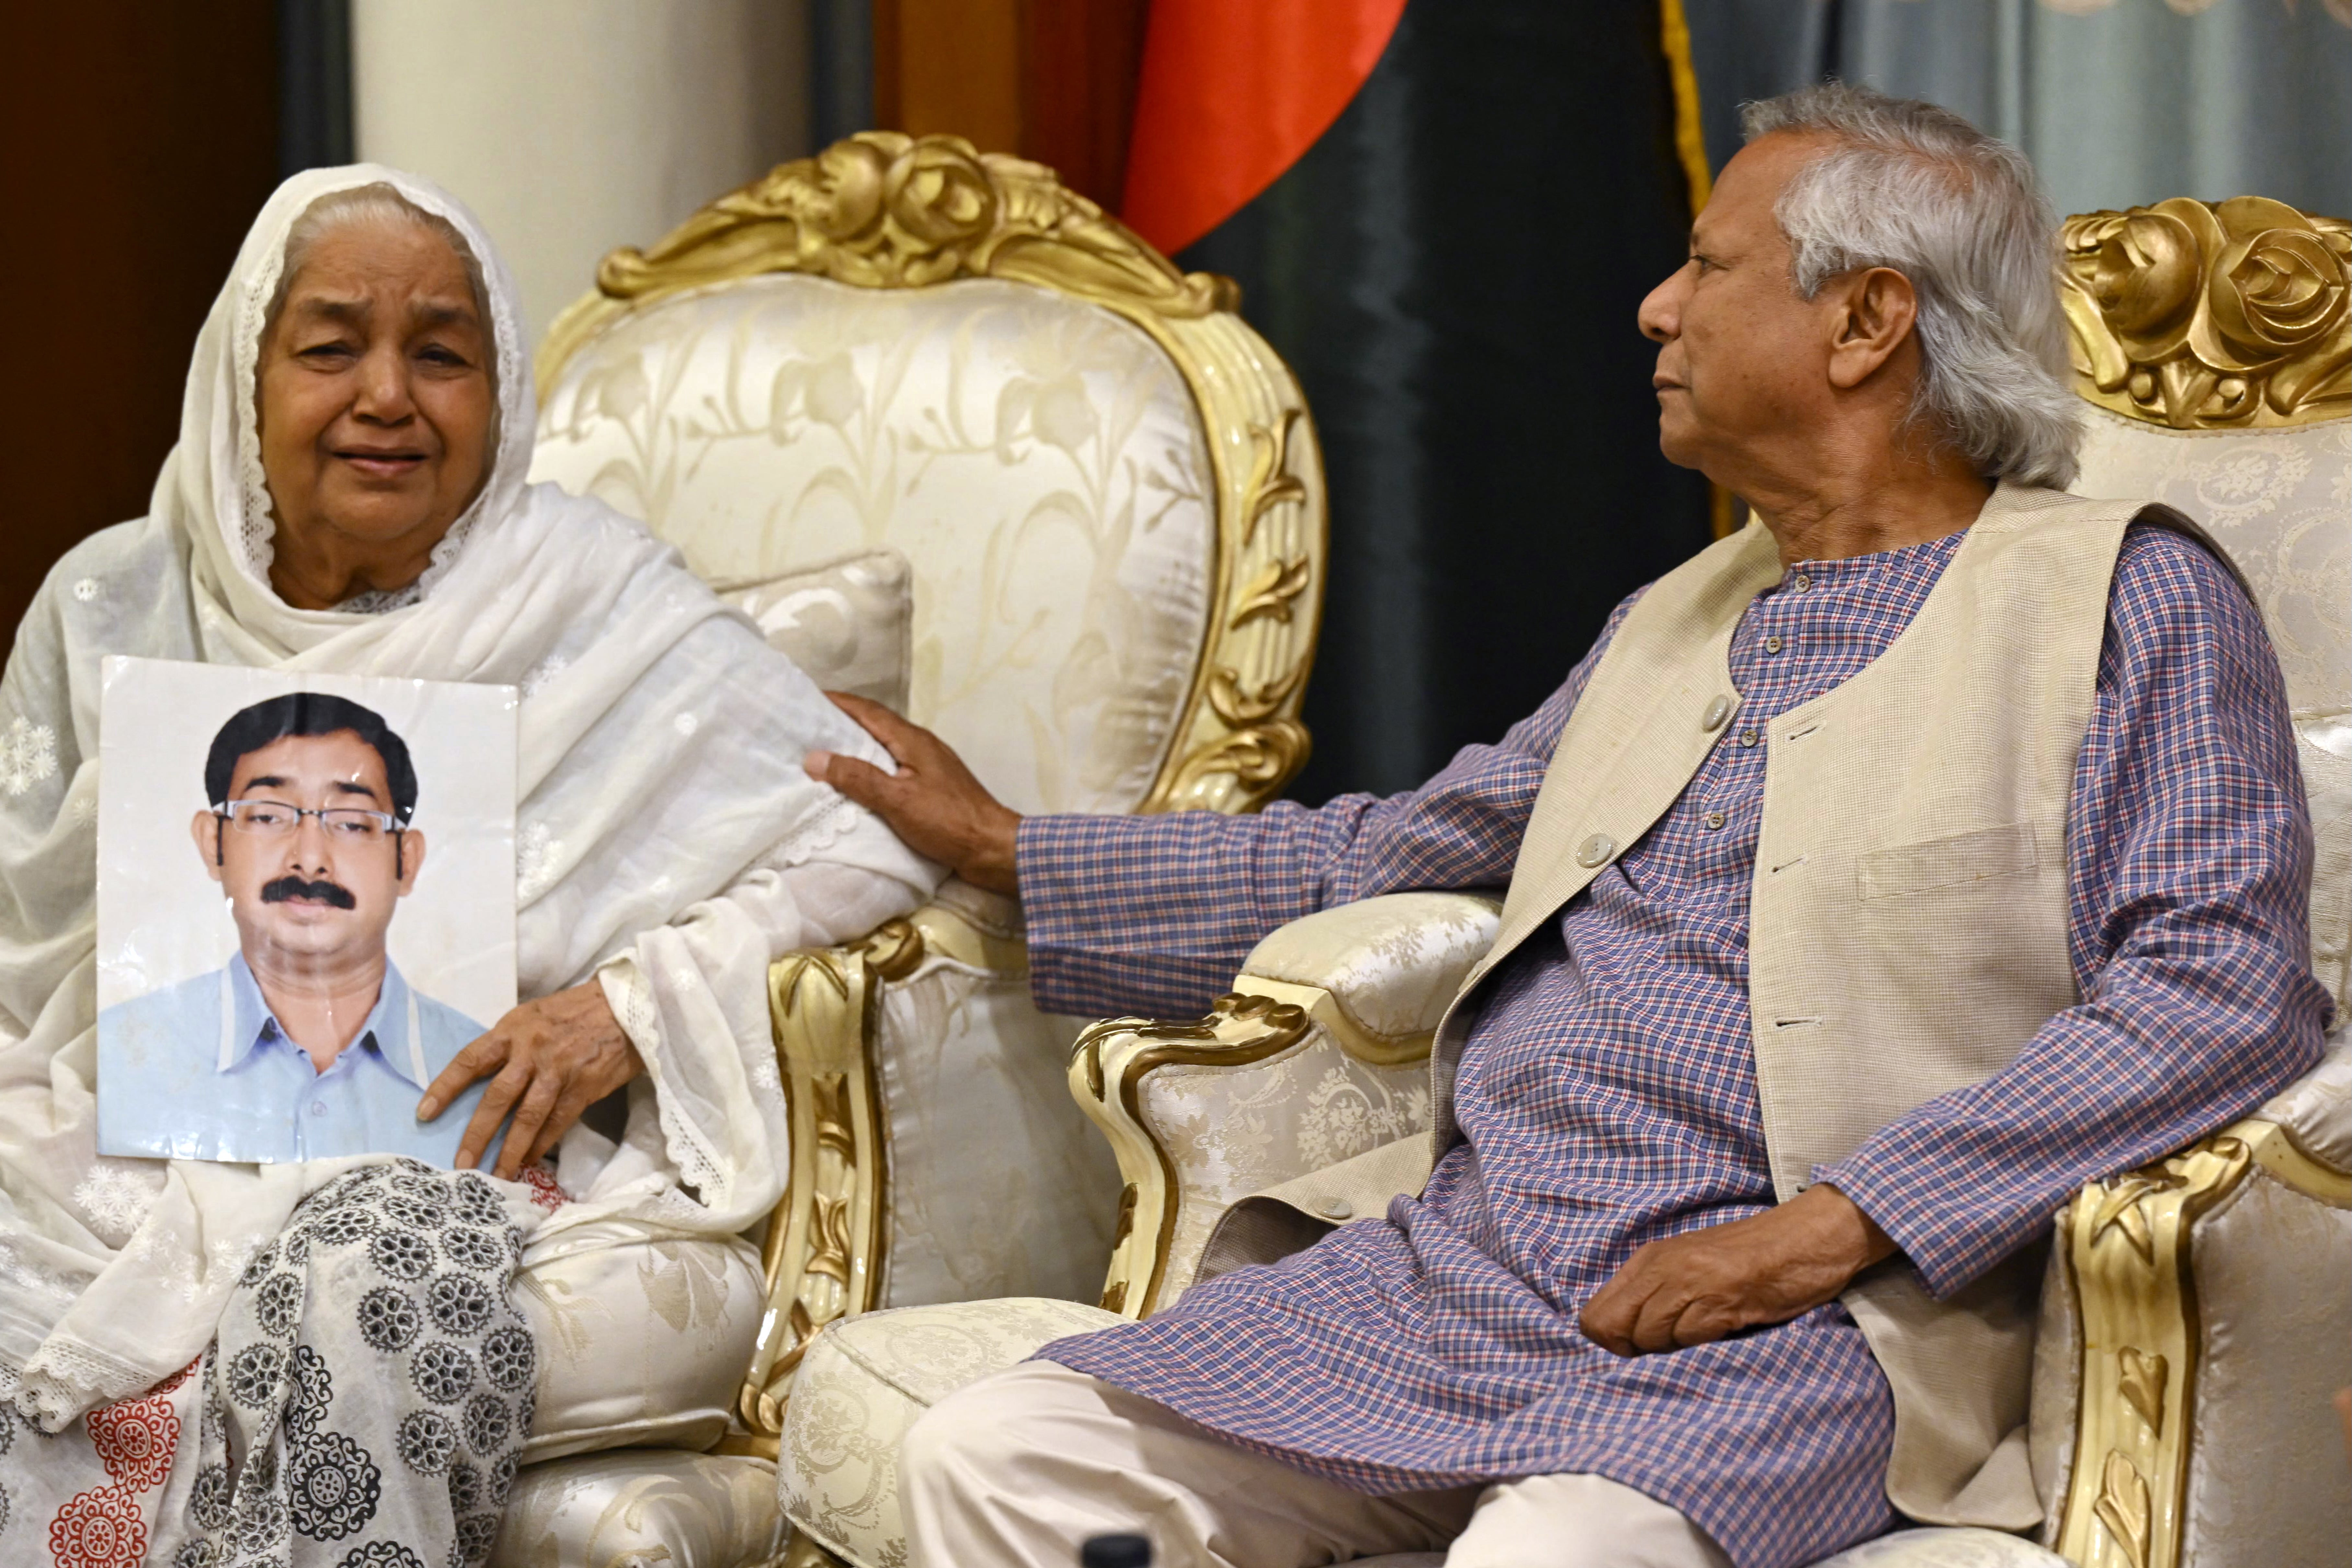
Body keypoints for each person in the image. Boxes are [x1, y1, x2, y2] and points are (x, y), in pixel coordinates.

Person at [808, 86, 2332, 1568]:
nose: (1654, 309)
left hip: (1801, 1321)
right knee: (1006, 1453)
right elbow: (1385, 851)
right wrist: (1012, 847)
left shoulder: (2123, 600)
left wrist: (1824, 1225)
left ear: (1866, 320)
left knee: (1557, 1548)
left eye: (1707, 267)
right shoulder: (1669, 618)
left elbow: (2212, 985)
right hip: (1461, 1276)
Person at [0, 169, 939, 1567]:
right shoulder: (110, 600)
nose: (389, 395)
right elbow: (26, 944)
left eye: (441, 352)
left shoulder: (599, 599)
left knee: (365, 1270)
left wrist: (624, 1005)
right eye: (331, 346)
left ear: (498, 399)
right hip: (123, 1126)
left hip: (458, 1149)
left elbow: (872, 830)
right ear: (241, 381)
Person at [98, 691, 500, 1165]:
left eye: (352, 823)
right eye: (268, 816)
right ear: (213, 844)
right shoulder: (121, 1055)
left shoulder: (489, 1073)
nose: (309, 860)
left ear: (406, 861)